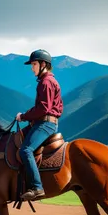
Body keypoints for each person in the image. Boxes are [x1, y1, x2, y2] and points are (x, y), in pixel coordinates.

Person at [16, 49, 63, 201]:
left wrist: (23, 116)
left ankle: (37, 187)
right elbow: (42, 107)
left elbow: (43, 108)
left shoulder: (46, 82)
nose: (32, 67)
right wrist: (27, 115)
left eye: (34, 64)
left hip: (45, 124)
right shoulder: (47, 81)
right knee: (16, 140)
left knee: (26, 150)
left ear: (43, 64)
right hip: (44, 121)